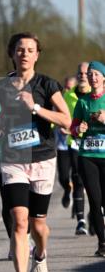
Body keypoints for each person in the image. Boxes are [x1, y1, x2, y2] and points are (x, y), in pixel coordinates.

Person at [0, 32, 71, 272]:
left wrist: (34, 107)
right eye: (19, 49)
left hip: (43, 159)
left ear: (37, 54)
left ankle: (42, 254)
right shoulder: (0, 87)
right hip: (12, 160)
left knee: (38, 225)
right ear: (12, 53)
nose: (24, 53)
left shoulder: (47, 84)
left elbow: (66, 120)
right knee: (19, 222)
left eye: (30, 49)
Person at [71, 61, 105, 257]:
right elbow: (73, 129)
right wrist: (78, 129)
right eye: (89, 74)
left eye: (96, 74)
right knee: (94, 200)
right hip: (88, 156)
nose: (92, 77)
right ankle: (102, 243)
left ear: (103, 78)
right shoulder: (83, 101)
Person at [56, 74, 86, 234]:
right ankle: (68, 190)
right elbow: (57, 115)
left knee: (78, 177)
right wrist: (56, 125)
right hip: (65, 143)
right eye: (66, 86)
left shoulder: (92, 96)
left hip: (81, 141)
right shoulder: (65, 97)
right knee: (62, 177)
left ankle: (82, 218)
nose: (67, 88)